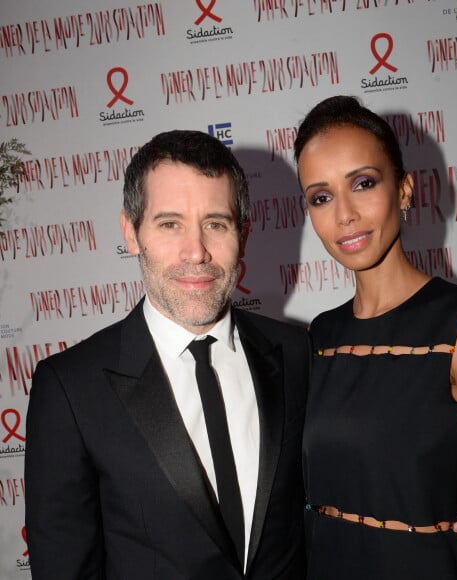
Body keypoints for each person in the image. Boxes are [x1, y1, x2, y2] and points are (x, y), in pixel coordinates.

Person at [24, 130, 311, 579]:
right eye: (170, 223)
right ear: (131, 232)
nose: (195, 252)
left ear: (244, 234)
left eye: (216, 223)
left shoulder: (297, 354)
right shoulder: (70, 389)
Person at [294, 96, 457, 579]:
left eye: (363, 183)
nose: (345, 214)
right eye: (321, 196)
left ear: (405, 190)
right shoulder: (319, 337)